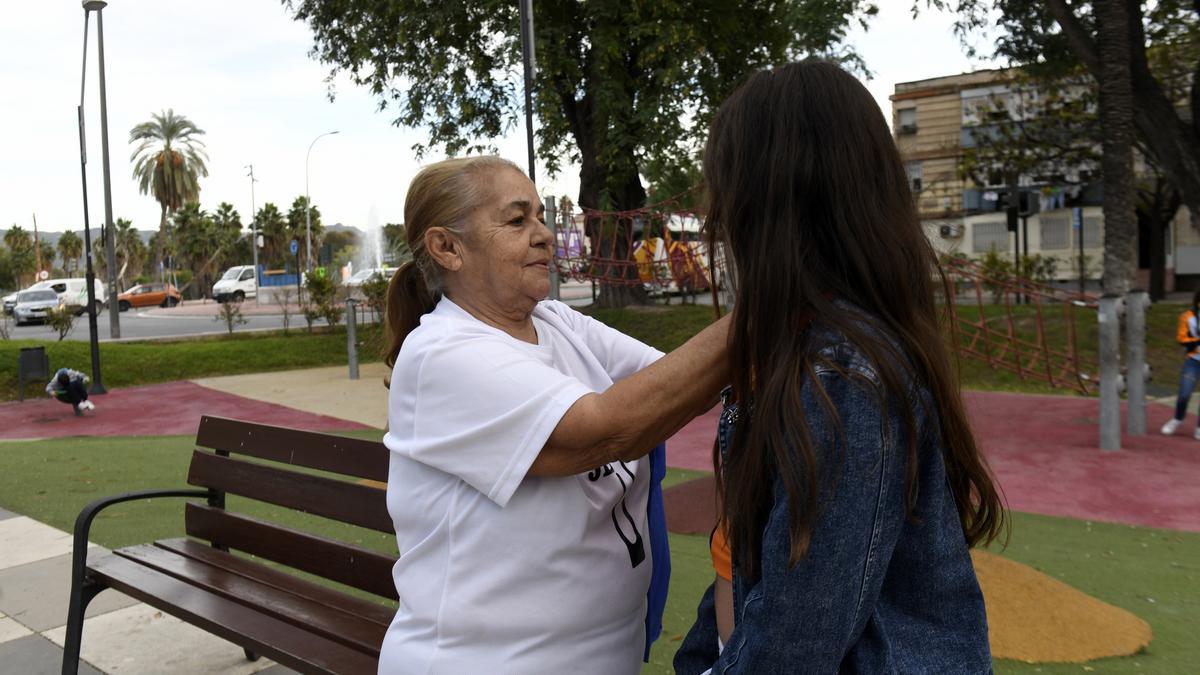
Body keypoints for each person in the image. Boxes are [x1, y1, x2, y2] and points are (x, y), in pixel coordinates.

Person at [674, 61, 1007, 673]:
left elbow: (800, 631)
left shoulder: (842, 373)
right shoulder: (801, 350)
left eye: (725, 187)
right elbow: (751, 567)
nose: (716, 212)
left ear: (767, 201)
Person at [379, 156, 730, 674]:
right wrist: (775, 303)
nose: (544, 234)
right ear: (447, 248)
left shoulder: (554, 320)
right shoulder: (440, 355)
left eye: (541, 217)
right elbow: (607, 430)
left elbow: (682, 385)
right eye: (517, 219)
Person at [1160, 288, 1200, 439]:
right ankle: (1177, 418)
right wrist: (1196, 341)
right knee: (1184, 394)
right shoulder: (1188, 317)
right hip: (1193, 360)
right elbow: (1182, 339)